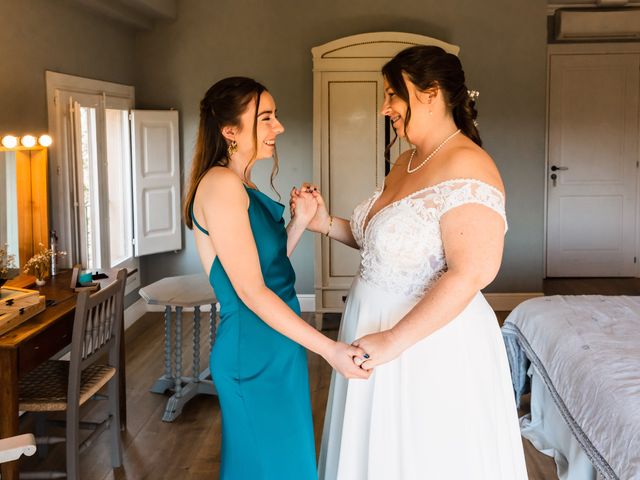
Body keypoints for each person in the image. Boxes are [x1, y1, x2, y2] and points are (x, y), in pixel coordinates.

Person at [291, 46, 528, 479]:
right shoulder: (406, 160)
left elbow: (472, 271)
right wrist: (322, 223)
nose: (385, 108)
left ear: (430, 93)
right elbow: (382, 244)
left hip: (428, 344)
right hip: (371, 327)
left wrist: (395, 340)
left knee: (421, 456)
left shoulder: (470, 166)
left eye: (392, 95)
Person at [184, 76, 370, 480]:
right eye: (265, 118)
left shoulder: (241, 184)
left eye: (275, 116)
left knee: (289, 466)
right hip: (252, 350)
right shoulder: (219, 186)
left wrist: (300, 223)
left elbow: (262, 269)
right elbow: (250, 292)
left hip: (278, 344)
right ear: (229, 130)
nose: (278, 127)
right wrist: (330, 350)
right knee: (272, 468)